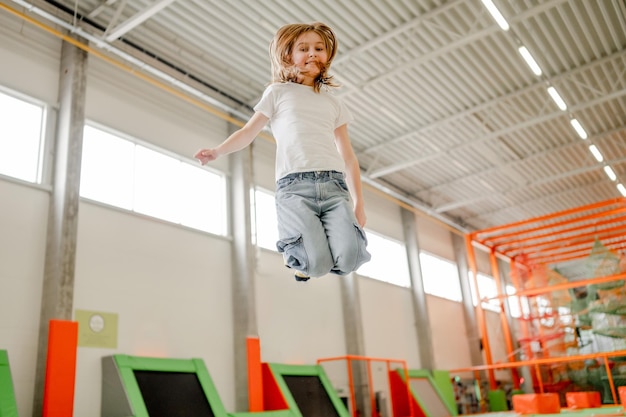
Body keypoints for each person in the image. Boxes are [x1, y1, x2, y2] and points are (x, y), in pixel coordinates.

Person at [194, 22, 371, 281]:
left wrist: (359, 203)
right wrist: (217, 151)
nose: (312, 53)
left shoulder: (333, 102)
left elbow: (349, 158)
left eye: (319, 48)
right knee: (316, 265)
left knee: (352, 257)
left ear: (327, 56)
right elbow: (247, 133)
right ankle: (304, 260)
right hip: (295, 187)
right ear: (288, 55)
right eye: (304, 48)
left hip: (334, 187)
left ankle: (317, 252)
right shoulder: (277, 93)